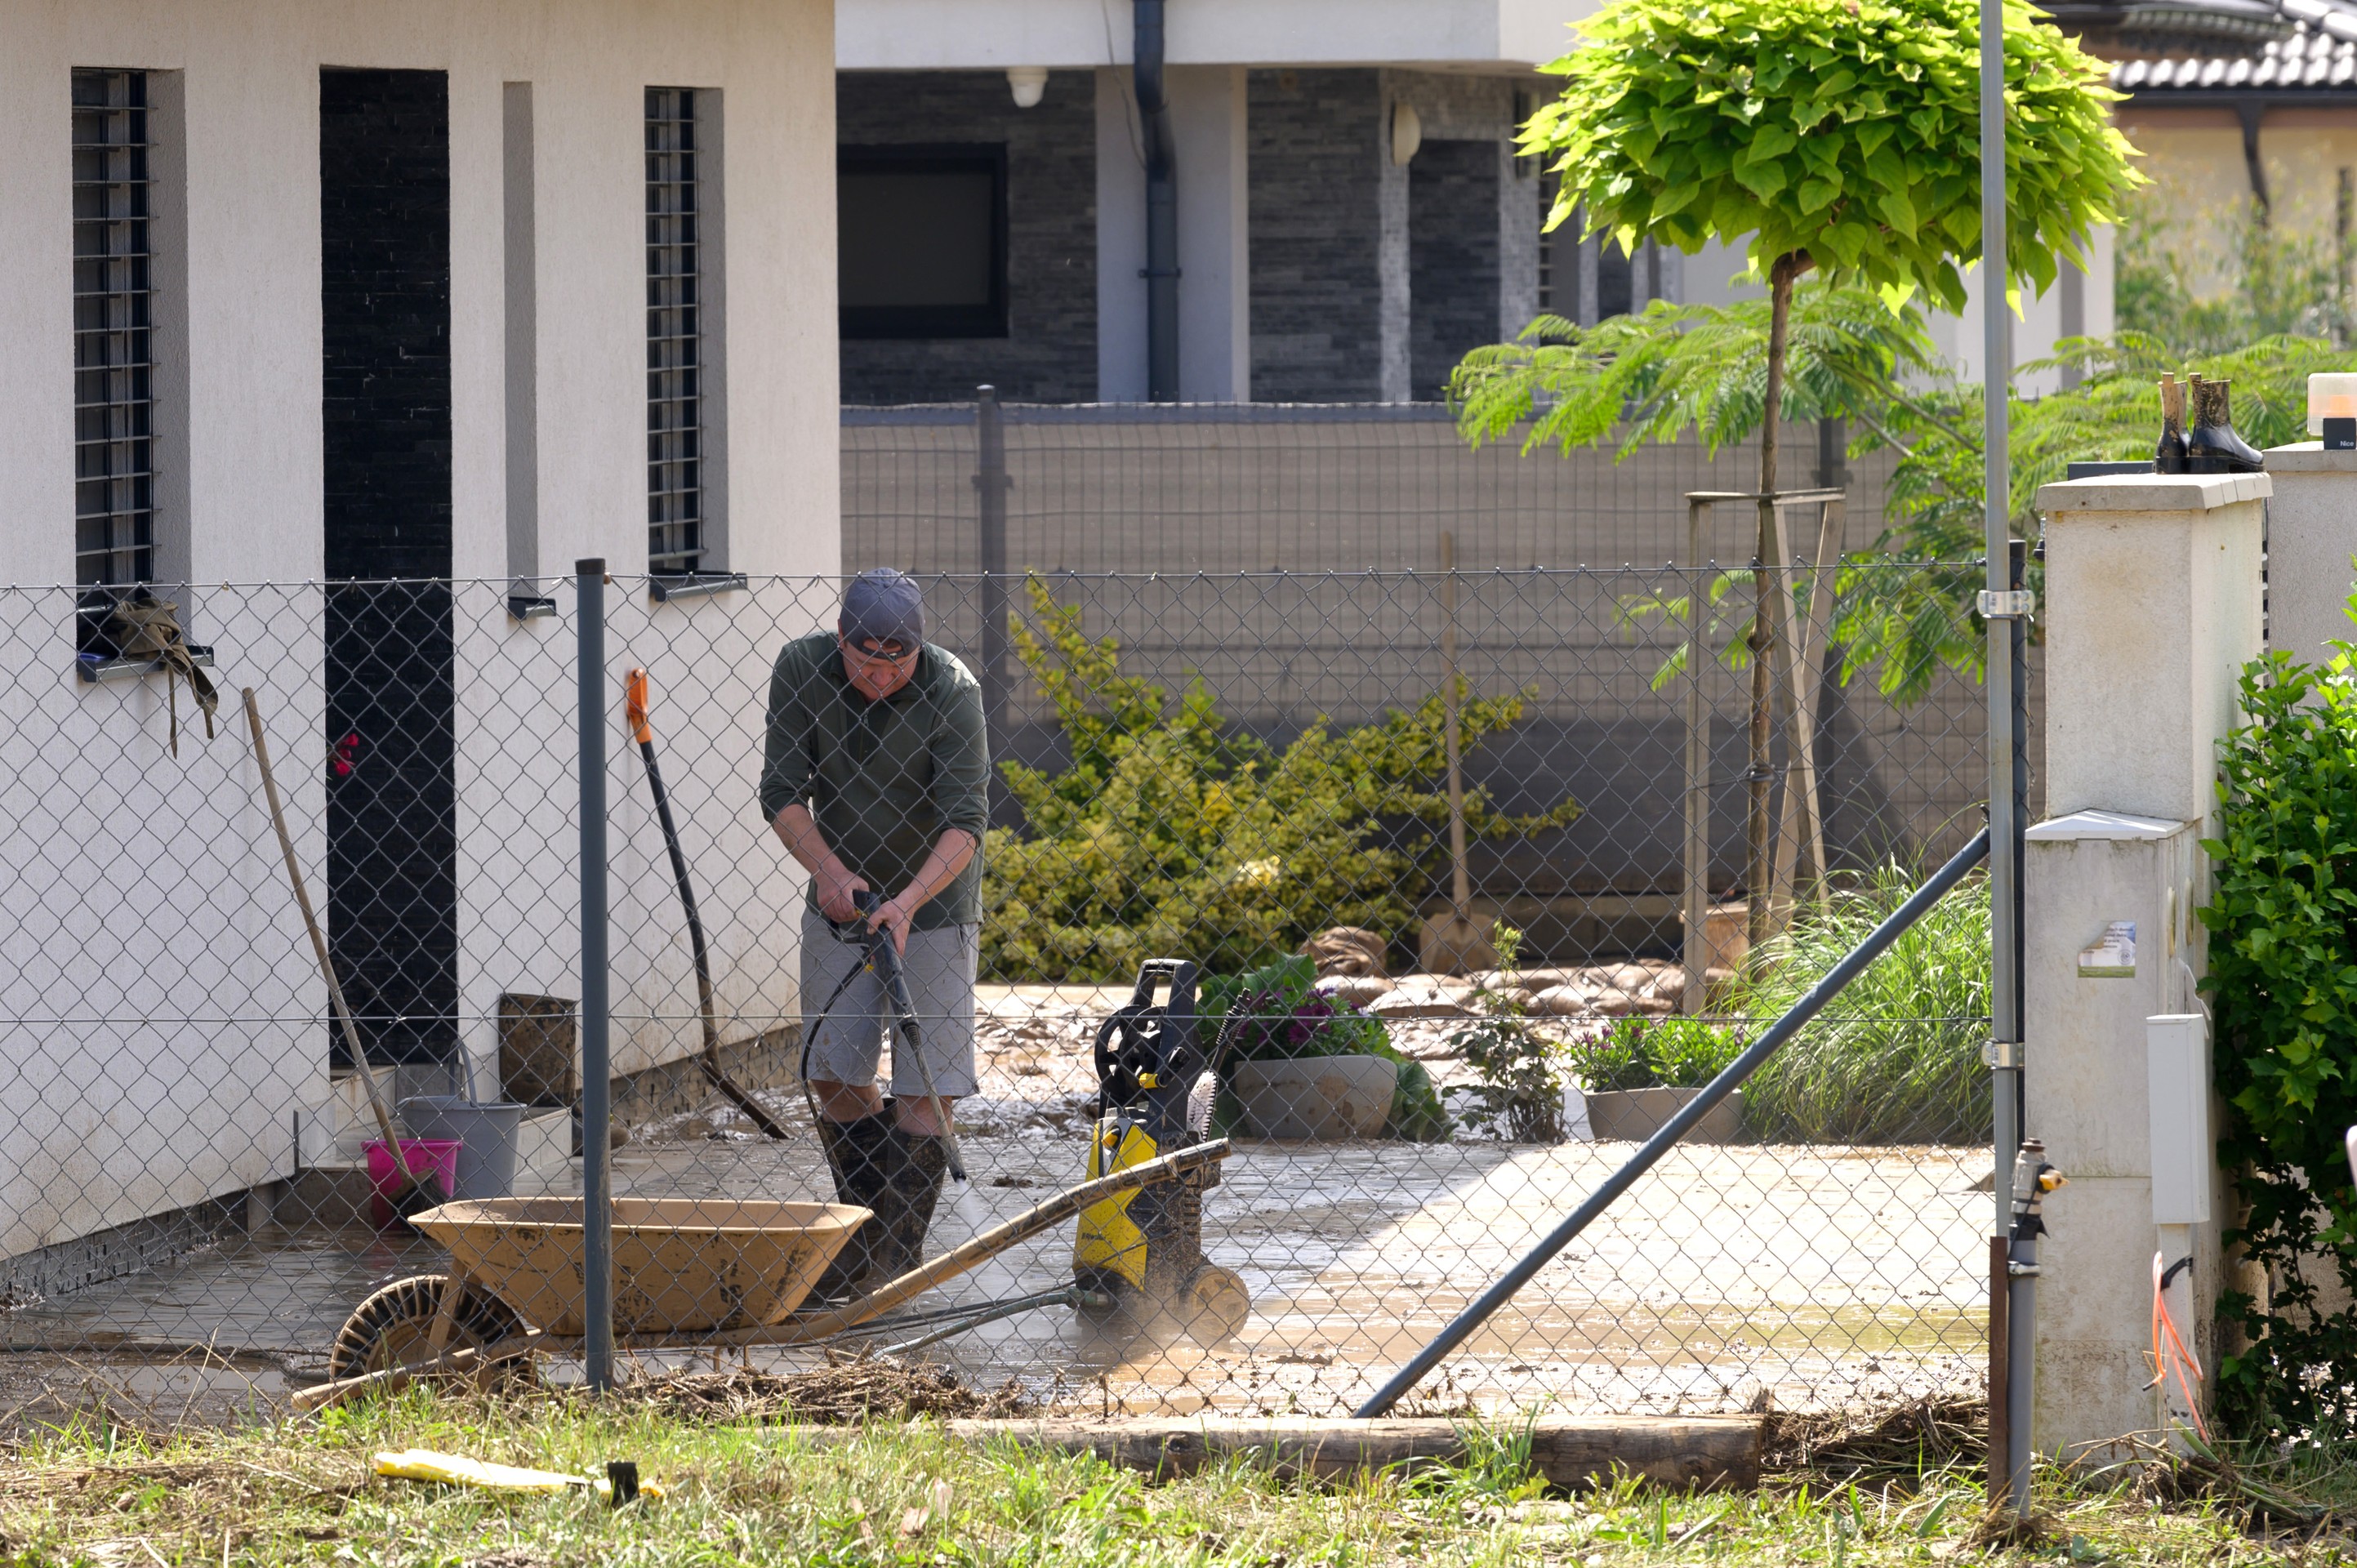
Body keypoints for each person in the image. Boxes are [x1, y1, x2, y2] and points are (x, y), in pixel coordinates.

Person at [760, 569, 987, 1296]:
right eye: (866, 662)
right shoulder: (802, 668)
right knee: (833, 1070)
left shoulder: (953, 690)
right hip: (842, 898)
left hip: (936, 904)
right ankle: (861, 1240)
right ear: (841, 643)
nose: (882, 675)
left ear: (919, 651)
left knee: (928, 1088)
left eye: (899, 662)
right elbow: (782, 792)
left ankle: (894, 1258)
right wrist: (830, 874)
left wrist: (913, 901)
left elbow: (967, 822)